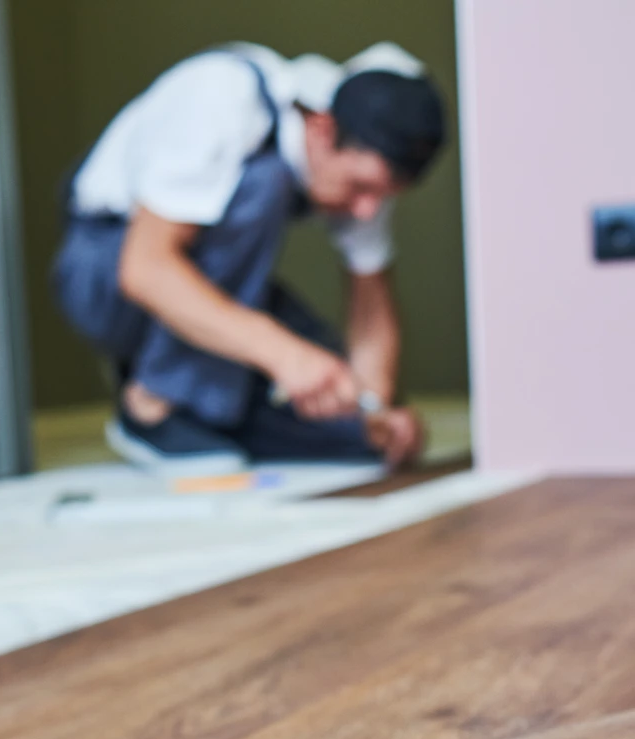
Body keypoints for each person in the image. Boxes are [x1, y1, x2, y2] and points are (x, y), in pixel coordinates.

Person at [52, 42, 446, 477]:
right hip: (106, 274)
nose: (367, 210)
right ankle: (150, 404)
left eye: (383, 196)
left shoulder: (363, 169)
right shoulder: (225, 96)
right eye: (361, 188)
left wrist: (376, 410)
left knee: (347, 418)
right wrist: (285, 356)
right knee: (264, 184)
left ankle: (210, 413)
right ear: (321, 129)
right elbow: (144, 268)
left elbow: (371, 306)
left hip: (212, 286)